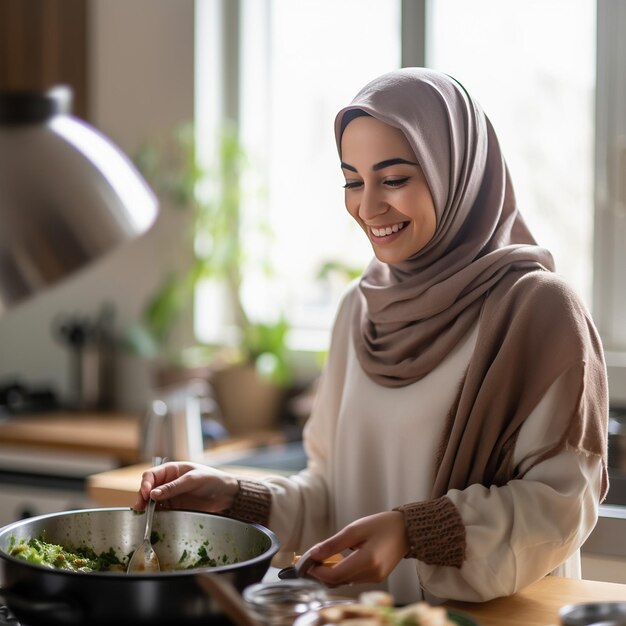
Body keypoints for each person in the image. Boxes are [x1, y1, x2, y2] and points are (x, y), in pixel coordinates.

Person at [134, 68, 609, 604]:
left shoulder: (537, 310)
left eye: (395, 178)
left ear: (457, 173)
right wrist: (236, 497)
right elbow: (330, 497)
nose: (368, 206)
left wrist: (414, 531)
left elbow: (563, 502)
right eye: (353, 181)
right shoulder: (358, 310)